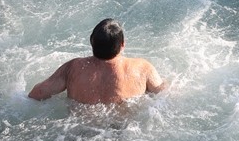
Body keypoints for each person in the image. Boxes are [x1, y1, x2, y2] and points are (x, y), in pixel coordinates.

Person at [28, 18, 166, 105]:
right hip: (123, 133)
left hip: (78, 132)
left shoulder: (73, 68)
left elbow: (37, 94)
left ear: (91, 42)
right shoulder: (142, 68)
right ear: (122, 44)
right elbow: (162, 93)